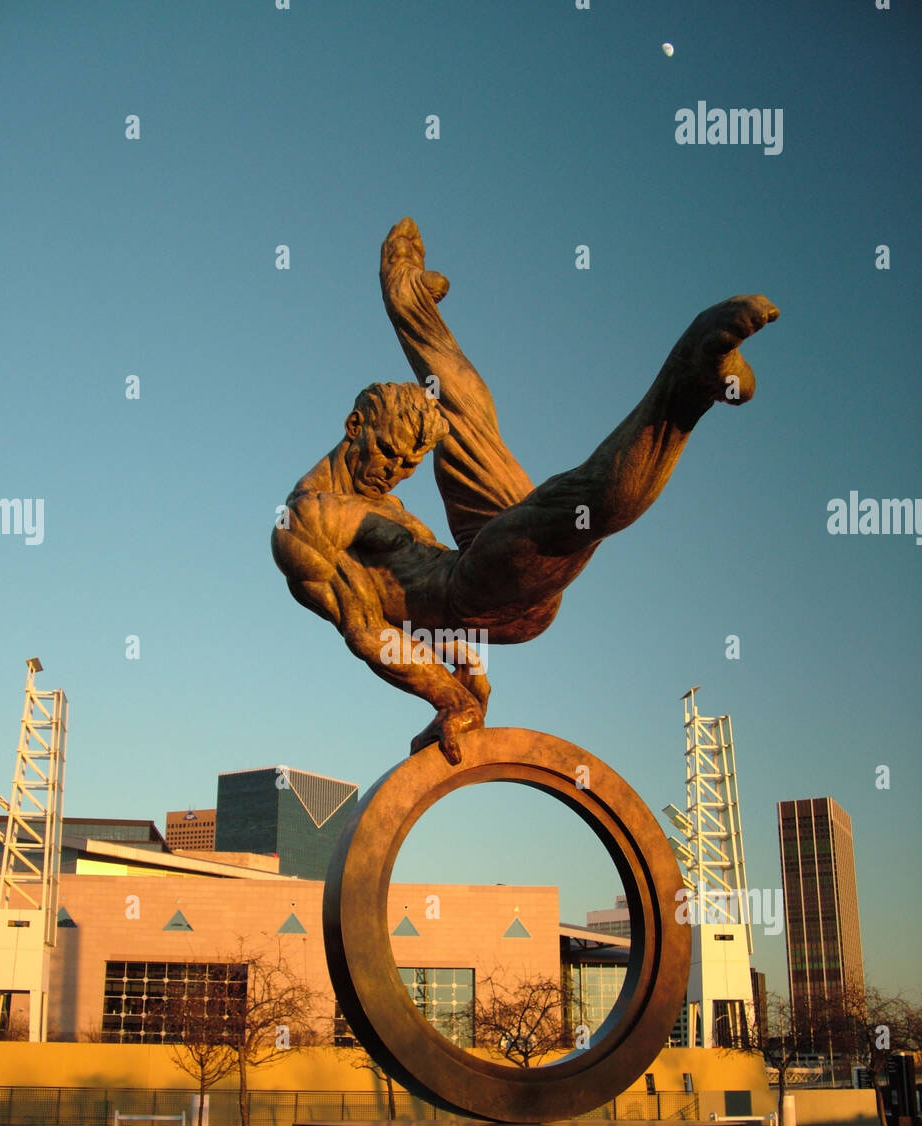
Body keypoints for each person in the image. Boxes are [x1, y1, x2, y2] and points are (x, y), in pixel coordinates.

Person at [273, 218, 778, 763]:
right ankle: (692, 384)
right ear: (355, 427)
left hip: (479, 569)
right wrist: (450, 697)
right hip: (474, 591)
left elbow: (421, 625)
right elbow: (369, 634)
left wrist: (468, 676)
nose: (398, 471)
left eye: (409, 462)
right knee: (580, 503)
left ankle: (407, 296)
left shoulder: (381, 504)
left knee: (462, 404)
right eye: (390, 454)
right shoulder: (306, 526)